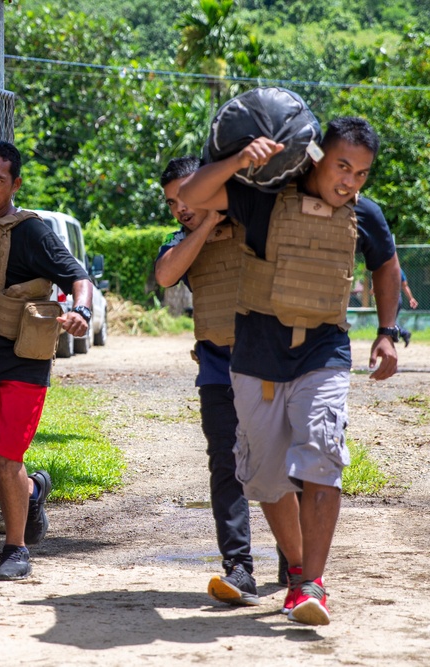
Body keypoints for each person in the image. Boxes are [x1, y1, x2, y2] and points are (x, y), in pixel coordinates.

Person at [179, 116, 401, 626]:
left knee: (322, 456)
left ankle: (310, 585)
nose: (350, 182)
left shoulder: (366, 215)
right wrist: (238, 161)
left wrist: (387, 331)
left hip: (323, 352)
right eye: (343, 167)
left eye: (362, 174)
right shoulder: (263, 196)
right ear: (319, 156)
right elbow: (193, 193)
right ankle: (298, 571)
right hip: (255, 356)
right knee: (268, 475)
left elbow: (386, 264)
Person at [0, 141, 93, 581]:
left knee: (6, 456)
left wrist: (79, 312)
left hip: (23, 363)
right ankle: (33, 489)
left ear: (15, 184)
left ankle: (15, 549)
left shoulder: (32, 232)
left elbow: (78, 276)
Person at [154, 157, 257, 606]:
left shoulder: (255, 221)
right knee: (226, 464)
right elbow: (166, 275)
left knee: (284, 466)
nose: (179, 207)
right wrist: (206, 224)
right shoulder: (181, 241)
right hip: (217, 368)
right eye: (171, 202)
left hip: (270, 364)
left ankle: (297, 565)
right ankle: (239, 566)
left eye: (186, 196)